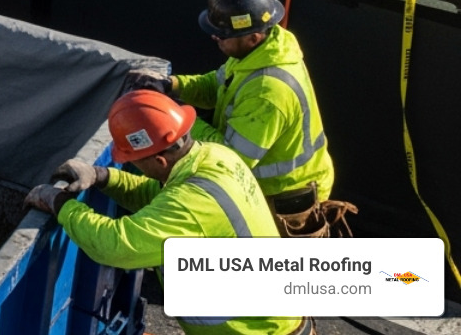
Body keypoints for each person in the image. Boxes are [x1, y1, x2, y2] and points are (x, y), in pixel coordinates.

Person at [26, 90, 309, 335]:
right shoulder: (214, 155)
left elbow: (115, 245)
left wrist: (60, 203)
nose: (135, 168)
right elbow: (162, 198)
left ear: (160, 159)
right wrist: (103, 176)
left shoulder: (191, 203)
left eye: (136, 162)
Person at [122, 0, 351, 237]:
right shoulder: (259, 53)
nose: (214, 37)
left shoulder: (268, 92)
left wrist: (175, 118)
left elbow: (231, 160)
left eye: (222, 35)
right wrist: (172, 85)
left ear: (253, 36)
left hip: (283, 205)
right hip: (266, 189)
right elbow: (217, 85)